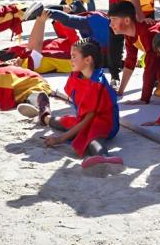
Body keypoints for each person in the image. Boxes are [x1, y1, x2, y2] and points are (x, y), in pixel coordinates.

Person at [42, 40, 123, 168]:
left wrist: (60, 139)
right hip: (84, 118)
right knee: (64, 122)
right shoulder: (77, 75)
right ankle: (43, 113)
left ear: (87, 60)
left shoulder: (97, 83)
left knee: (92, 137)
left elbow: (89, 118)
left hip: (104, 121)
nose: (71, 60)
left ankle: (104, 157)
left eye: (74, 57)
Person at [108, 0, 160, 104]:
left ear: (127, 20)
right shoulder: (129, 34)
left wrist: (144, 99)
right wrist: (121, 91)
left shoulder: (147, 32)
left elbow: (150, 67)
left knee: (154, 65)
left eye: (113, 19)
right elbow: (130, 61)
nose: (110, 24)